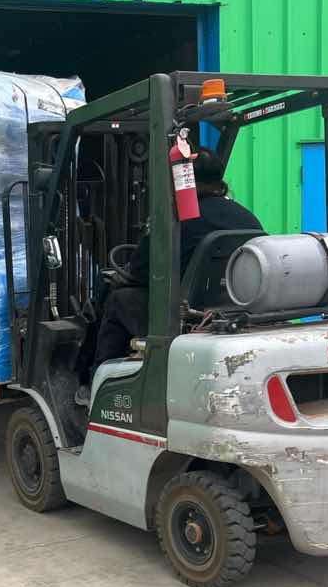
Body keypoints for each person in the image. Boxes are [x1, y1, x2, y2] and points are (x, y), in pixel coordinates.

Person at [75, 147, 263, 406]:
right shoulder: (248, 218)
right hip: (233, 310)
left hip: (184, 314)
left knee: (116, 299)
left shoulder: (178, 220)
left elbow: (139, 270)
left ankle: (95, 385)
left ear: (183, 179)